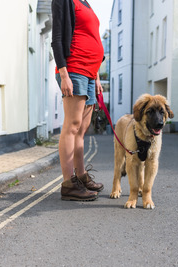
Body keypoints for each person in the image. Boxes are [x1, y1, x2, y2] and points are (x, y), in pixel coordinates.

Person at [51, 0, 104, 201]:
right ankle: (68, 183)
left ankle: (81, 177)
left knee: (82, 128)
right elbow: (57, 37)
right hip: (74, 68)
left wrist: (97, 76)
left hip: (90, 72)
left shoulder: (86, 3)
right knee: (72, 125)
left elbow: (92, 37)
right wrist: (64, 74)